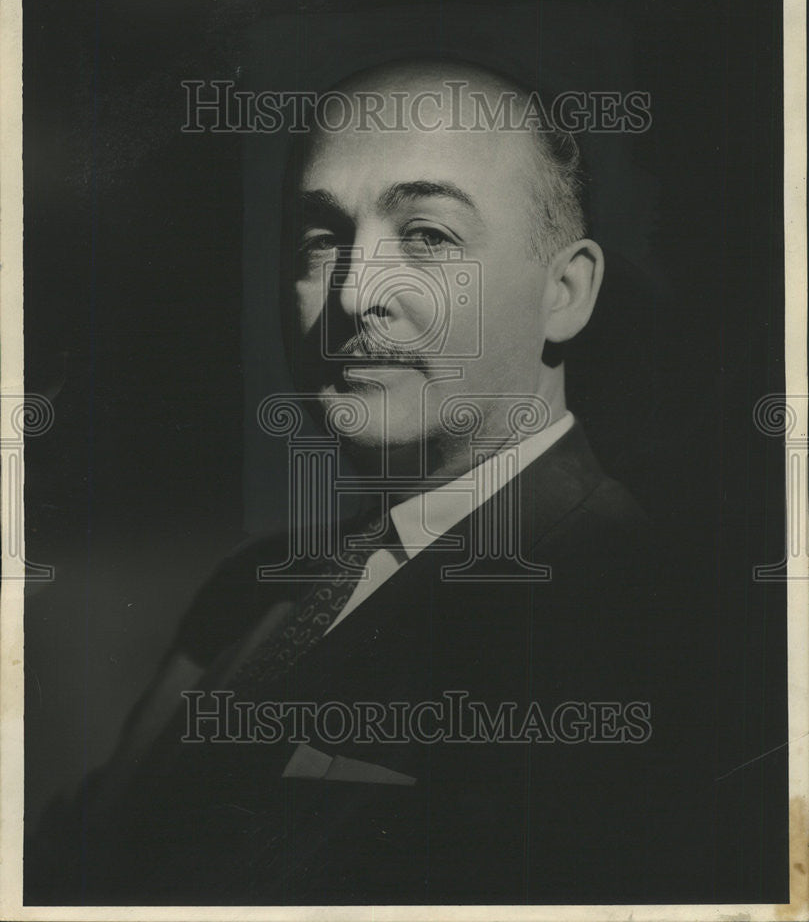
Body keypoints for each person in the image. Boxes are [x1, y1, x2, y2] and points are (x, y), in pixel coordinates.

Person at [30, 57, 717, 905]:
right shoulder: (252, 591)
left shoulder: (643, 624)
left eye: (427, 236)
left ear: (565, 292)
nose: (356, 293)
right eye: (322, 238)